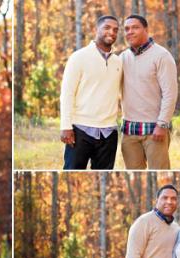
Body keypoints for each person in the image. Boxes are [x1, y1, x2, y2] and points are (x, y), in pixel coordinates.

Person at [59, 15, 122, 169]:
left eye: (115, 30)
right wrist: (65, 125)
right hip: (80, 130)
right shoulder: (78, 57)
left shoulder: (118, 61)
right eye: (107, 28)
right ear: (96, 30)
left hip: (109, 132)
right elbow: (67, 94)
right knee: (72, 171)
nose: (111, 32)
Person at [120, 14, 178, 169]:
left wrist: (162, 124)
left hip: (154, 130)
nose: (129, 32)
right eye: (126, 29)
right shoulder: (122, 58)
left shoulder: (161, 56)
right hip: (129, 131)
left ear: (146, 29)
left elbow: (170, 94)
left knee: (159, 171)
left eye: (135, 27)